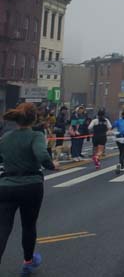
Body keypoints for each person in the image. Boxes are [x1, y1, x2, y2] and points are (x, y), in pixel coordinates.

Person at [0, 103, 59, 274]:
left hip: (6, 185)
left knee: (3, 228)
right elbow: (41, 154)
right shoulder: (36, 136)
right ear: (34, 119)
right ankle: (28, 262)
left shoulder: (6, 138)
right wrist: (51, 165)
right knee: (28, 226)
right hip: (30, 185)